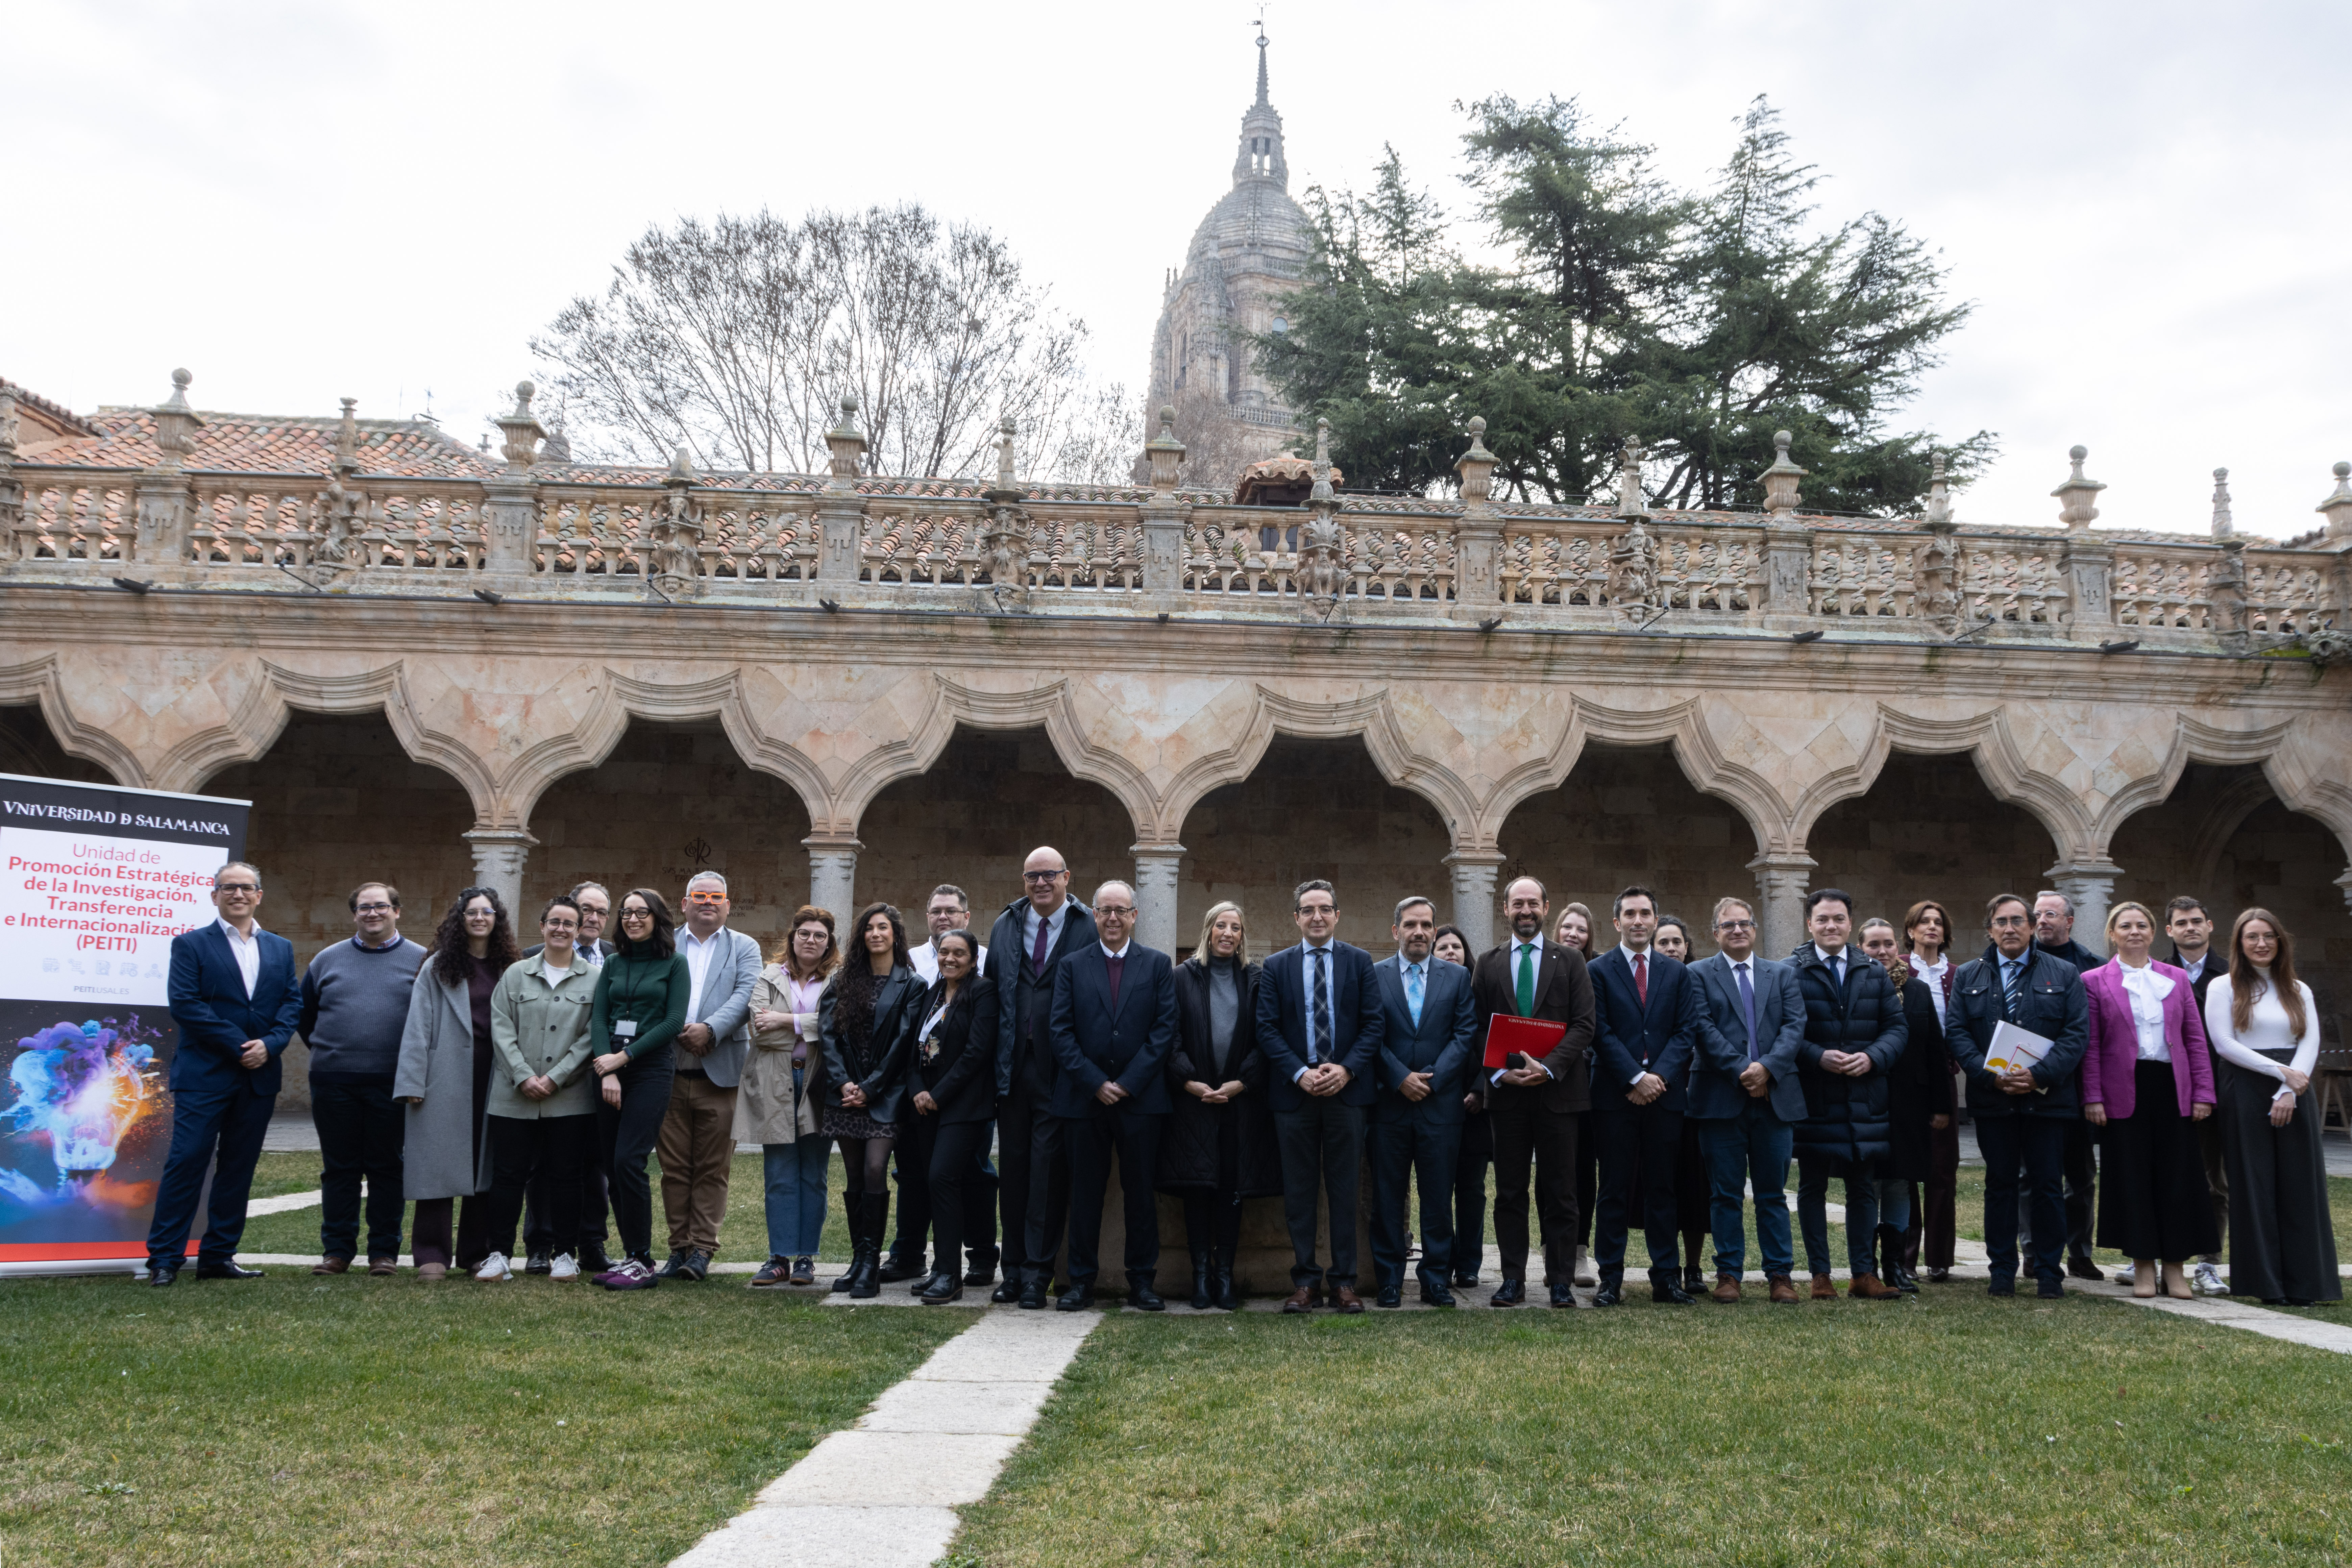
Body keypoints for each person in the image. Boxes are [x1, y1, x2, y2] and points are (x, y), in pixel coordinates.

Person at [146, 862, 303, 1286]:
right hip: (206, 1073)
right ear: (214, 895)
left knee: (239, 1167)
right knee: (187, 1162)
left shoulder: (280, 947)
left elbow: (292, 1002)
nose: (238, 894)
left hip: (258, 1076)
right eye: (228, 887)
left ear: (259, 895)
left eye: (246, 888)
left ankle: (218, 1255)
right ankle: (164, 1258)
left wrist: (270, 1045)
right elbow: (185, 1004)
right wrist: (240, 1046)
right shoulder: (191, 944)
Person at [1947, 892, 2090, 1298]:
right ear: (1990, 928)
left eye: (2017, 921)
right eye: (2001, 922)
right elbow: (1958, 1033)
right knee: (2000, 1184)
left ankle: (2048, 1271)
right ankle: (2002, 1271)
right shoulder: (1969, 976)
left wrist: (2038, 1074)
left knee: (2048, 1184)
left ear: (2031, 926)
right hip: (1994, 1099)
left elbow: (2076, 1033)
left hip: (2047, 1099)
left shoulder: (2064, 974)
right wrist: (1991, 1076)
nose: (2009, 929)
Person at [1254, 879, 1385, 1314]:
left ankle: (1345, 1282)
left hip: (1347, 1094)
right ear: (1296, 917)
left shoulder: (1360, 961)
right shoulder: (1276, 966)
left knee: (1345, 1190)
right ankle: (1306, 1281)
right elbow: (1267, 1028)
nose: (1317, 917)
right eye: (1308, 910)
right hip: (1295, 1096)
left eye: (1325, 909)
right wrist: (1299, 1072)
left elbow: (1373, 1025)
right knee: (1300, 1191)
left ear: (1337, 915)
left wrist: (1346, 1069)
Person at [1048, 880, 1178, 1310]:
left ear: (1135, 916)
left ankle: (1142, 1281)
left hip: (1141, 1100)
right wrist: (1095, 1082)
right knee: (1085, 1192)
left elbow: (1164, 1031)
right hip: (1084, 1099)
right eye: (1105, 910)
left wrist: (1128, 1082)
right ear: (1094, 914)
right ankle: (1081, 1282)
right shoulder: (1071, 965)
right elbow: (1060, 1031)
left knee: (1140, 1193)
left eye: (1121, 910)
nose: (1113, 918)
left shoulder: (1158, 965)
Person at [1469, 877, 1597, 1309]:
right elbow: (1478, 1027)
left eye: (1532, 903)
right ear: (1505, 910)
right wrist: (1501, 1075)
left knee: (1561, 1189)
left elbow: (1584, 1024)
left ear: (1546, 906)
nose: (1525, 910)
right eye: (1517, 903)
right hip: (1507, 1096)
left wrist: (1548, 1068)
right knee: (1509, 1191)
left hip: (1559, 1094)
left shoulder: (1571, 961)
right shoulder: (1487, 963)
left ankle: (1559, 1279)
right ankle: (1512, 1280)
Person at [2082, 901, 2219, 1299]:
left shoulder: (2175, 978)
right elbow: (2091, 1046)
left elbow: (2196, 1039)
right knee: (2132, 1178)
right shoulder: (2094, 980)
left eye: (2142, 925)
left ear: (2154, 932)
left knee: (2179, 1179)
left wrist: (2204, 1093)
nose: (2134, 931)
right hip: (2123, 1091)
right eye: (2125, 926)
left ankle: (2175, 1268)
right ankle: (2143, 1266)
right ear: (2113, 933)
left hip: (2173, 1087)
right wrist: (2093, 1096)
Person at [2204, 908, 2339, 1305]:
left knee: (2301, 1186)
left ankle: (2306, 1283)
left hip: (2295, 1090)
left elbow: (2310, 1042)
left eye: (2269, 936)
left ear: (2280, 941)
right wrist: (2280, 1073)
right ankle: (2267, 1284)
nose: (2261, 943)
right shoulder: (2223, 987)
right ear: (2239, 944)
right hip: (2244, 1087)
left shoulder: (2298, 988)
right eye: (2252, 937)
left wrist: (2287, 1089)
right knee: (2254, 1183)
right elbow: (2225, 1044)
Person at [986, 847, 1097, 1307]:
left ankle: (1037, 1273)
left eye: (1050, 875)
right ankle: (1010, 1270)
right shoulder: (1006, 924)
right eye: (1033, 876)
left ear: (1067, 877)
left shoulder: (1086, 926)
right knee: (1012, 1172)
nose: (1041, 884)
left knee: (1047, 1173)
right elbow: (993, 994)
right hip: (1013, 1067)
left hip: (1060, 1070)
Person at [298, 880, 425, 1276]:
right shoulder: (327, 959)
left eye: (382, 906)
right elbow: (305, 1016)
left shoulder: (421, 960)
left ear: (397, 911)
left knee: (388, 1166)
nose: (374, 913)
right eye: (365, 907)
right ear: (355, 914)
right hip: (334, 1080)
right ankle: (336, 1251)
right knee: (340, 1168)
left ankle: (384, 1253)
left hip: (393, 1082)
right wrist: (334, 1051)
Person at [1586, 886, 1704, 1306]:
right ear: (1617, 922)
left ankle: (1666, 1279)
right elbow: (1599, 1031)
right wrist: (1635, 1077)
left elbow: (1685, 1031)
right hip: (1615, 1096)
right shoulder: (1598, 970)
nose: (1639, 921)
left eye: (1646, 914)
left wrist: (1657, 1078)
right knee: (1614, 1188)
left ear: (1656, 921)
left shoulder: (1678, 973)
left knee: (1662, 1189)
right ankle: (1610, 1279)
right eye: (1630, 914)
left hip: (1665, 1097)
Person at [1686, 897, 1807, 1303]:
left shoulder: (1783, 974)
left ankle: (1780, 1275)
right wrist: (1744, 1070)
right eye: (1728, 924)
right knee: (1725, 1193)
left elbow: (1795, 1026)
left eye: (1744, 923)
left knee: (1773, 1192)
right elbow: (1702, 1028)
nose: (1737, 930)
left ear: (1755, 929)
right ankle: (1728, 1274)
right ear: (1714, 932)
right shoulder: (1698, 974)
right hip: (1722, 1097)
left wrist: (1768, 1068)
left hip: (1775, 1098)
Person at [1788, 888, 1907, 1301]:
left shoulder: (1873, 972)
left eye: (1838, 918)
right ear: (1809, 924)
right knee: (1813, 1187)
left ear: (1850, 924)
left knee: (1861, 1187)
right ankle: (1820, 1275)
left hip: (1864, 1096)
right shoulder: (1791, 971)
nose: (1831, 925)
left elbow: (1897, 1029)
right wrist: (1816, 1056)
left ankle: (1863, 1273)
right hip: (1814, 1095)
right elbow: (1784, 1031)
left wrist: (1873, 1058)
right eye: (1822, 919)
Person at [475, 896, 602, 1281]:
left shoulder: (596, 979)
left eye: (569, 923)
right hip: (514, 1095)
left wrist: (555, 1077)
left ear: (580, 930)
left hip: (570, 1097)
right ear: (543, 925)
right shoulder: (515, 974)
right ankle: (498, 1253)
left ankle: (565, 1253)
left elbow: (591, 1035)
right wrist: (523, 1074)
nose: (561, 929)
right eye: (554, 922)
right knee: (508, 1175)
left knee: (567, 1176)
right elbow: (501, 1027)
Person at [1160, 901, 1277, 1310]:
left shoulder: (1257, 980)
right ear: (1208, 930)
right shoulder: (1180, 978)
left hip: (1239, 1103)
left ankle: (1224, 1274)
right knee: (1198, 1188)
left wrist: (1240, 1083)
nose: (1228, 933)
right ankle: (1200, 1276)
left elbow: (1266, 1039)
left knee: (1231, 1187)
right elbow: (1168, 1037)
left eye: (1236, 927)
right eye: (1221, 925)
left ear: (1243, 935)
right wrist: (1191, 1082)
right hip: (1193, 1103)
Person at [396, 886, 517, 1281]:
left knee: (486, 1168)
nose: (479, 918)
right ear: (459, 919)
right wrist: (412, 1080)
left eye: (487, 912)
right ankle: (430, 1253)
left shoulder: (509, 968)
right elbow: (417, 1027)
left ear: (497, 919)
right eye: (471, 912)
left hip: (495, 1075)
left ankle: (476, 1253)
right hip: (444, 1075)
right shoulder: (437, 967)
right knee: (437, 1164)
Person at [886, 882, 998, 1289]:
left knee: (955, 1177)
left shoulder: (984, 990)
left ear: (972, 959)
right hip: (926, 1105)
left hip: (964, 1104)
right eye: (944, 953)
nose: (949, 958)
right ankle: (939, 1268)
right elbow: (914, 1044)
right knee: (933, 1180)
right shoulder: (931, 989)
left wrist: (938, 1093)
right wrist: (918, 1088)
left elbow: (977, 1052)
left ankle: (961, 1266)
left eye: (958, 954)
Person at [1368, 896, 1477, 1307]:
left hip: (1440, 1106)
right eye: (1411, 924)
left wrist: (1432, 1080)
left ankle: (1435, 1278)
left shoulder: (1456, 977)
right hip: (1389, 1106)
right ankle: (1389, 1279)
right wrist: (1399, 1077)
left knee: (1437, 1197)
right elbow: (1369, 1033)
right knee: (1388, 1197)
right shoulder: (1373, 975)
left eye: (1427, 925)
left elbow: (1465, 1033)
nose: (1419, 931)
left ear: (1435, 930)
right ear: (1395, 930)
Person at [655, 872, 761, 1281]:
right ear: (684, 904)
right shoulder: (665, 944)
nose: (707, 902)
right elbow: (655, 992)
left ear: (728, 905)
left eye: (716, 897)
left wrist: (710, 1029)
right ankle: (677, 1247)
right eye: (699, 896)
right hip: (669, 1070)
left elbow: (746, 994)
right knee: (675, 1168)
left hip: (722, 1073)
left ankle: (702, 1249)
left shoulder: (744, 947)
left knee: (713, 1168)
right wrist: (680, 1027)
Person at [586, 889, 690, 1291]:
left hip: (649, 1068)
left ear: (657, 918)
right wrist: (607, 1068)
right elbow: (599, 1018)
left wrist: (623, 1058)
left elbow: (673, 1022)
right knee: (612, 1164)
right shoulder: (613, 962)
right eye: (627, 913)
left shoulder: (675, 964)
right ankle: (630, 1256)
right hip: (609, 1069)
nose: (632, 919)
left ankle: (643, 1260)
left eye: (641, 912)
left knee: (631, 1159)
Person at [820, 903, 924, 1299]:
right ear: (861, 935)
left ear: (896, 934)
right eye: (869, 928)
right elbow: (828, 1034)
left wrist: (872, 1086)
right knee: (854, 1176)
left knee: (876, 1167)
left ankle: (871, 1264)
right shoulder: (844, 980)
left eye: (884, 927)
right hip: (843, 1094)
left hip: (885, 1095)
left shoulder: (911, 984)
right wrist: (845, 1081)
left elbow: (904, 1042)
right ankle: (859, 1259)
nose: (876, 933)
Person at [742, 907, 839, 1289]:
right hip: (774, 1080)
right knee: (780, 1171)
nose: (811, 940)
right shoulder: (769, 975)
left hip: (819, 1080)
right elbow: (758, 1029)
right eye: (804, 933)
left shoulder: (838, 980)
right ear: (793, 936)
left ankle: (805, 1259)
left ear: (829, 942)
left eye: (819, 935)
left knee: (813, 1173)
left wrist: (784, 1020)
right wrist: (810, 1026)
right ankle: (779, 1256)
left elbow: (839, 1025)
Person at [523, 880, 615, 1274]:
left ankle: (591, 1243)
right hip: (547, 1078)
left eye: (600, 912)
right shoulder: (531, 958)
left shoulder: (616, 958)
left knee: (594, 1164)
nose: (592, 918)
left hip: (597, 1075)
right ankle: (541, 1245)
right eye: (586, 909)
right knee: (543, 1165)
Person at [1861, 917, 1952, 1293]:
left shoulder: (1916, 990)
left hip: (1910, 1102)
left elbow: (1935, 1048)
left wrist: (1942, 1104)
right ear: (1860, 948)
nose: (1882, 952)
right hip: (1865, 1099)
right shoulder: (1854, 987)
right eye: (1873, 945)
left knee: (1900, 1183)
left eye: (1887, 944)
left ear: (1897, 945)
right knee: (1866, 1184)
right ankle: (1864, 1266)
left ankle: (1896, 1265)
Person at [2032, 889, 2106, 1282]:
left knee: (2081, 1176)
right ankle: (2032, 1251)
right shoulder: (2019, 963)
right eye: (2038, 914)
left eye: (2051, 914)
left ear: (2070, 921)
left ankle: (2079, 1251)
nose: (2042, 920)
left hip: (2077, 1088)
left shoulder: (2092, 966)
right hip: (2031, 1086)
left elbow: (2091, 1031)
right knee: (2033, 1176)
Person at [2164, 895, 2231, 1294]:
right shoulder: (2157, 973)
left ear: (2210, 925)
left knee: (2214, 1181)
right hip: (2168, 1090)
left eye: (2197, 921)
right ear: (2169, 931)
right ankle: (2160, 1255)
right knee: (2166, 1176)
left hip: (2219, 1091)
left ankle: (2210, 1261)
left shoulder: (2231, 974)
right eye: (2181, 922)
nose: (2190, 927)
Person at [1900, 899, 1960, 1283]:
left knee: (1943, 1170)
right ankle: (1905, 1256)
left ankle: (1939, 1257)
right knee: (1905, 1169)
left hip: (1945, 1075)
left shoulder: (1960, 973)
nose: (1932, 927)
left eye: (1938, 922)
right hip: (1905, 1078)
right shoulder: (1897, 970)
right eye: (1924, 921)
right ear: (1910, 930)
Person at [1651, 914, 1711, 1292]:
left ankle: (1694, 1266)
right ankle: (1666, 1265)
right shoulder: (1651, 983)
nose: (1671, 948)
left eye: (1677, 941)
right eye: (1664, 942)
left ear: (1688, 946)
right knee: (1663, 1186)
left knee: (1697, 1187)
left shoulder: (1700, 981)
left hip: (1699, 1097)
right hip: (1658, 1094)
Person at [1432, 923, 1491, 1291]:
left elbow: (1494, 1042)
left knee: (1471, 1190)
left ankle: (1469, 1263)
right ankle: (1442, 1259)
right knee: (1437, 1188)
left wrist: (1481, 1089)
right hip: (1437, 1105)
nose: (1451, 951)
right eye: (1444, 947)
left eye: (1456, 946)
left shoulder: (1480, 994)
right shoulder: (1430, 992)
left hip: (1474, 1110)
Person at [1554, 901, 1601, 1289]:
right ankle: (1554, 1249)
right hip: (1551, 1082)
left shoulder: (1598, 970)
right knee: (1555, 1172)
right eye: (1567, 927)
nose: (1573, 933)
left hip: (1591, 1086)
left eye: (1581, 929)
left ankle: (1579, 1252)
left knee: (1584, 1172)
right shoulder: (1545, 968)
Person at [909, 884, 989, 981]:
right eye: (936, 912)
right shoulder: (911, 959)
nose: (943, 917)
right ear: (928, 917)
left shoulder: (985, 959)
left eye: (951, 911)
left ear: (966, 918)